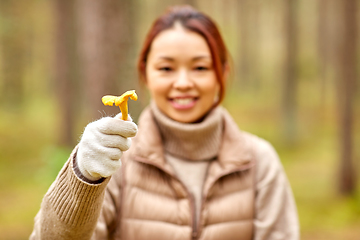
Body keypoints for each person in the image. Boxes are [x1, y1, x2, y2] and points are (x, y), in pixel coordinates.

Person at [30, 5, 299, 240]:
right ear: (145, 73)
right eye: (166, 68)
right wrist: (83, 177)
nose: (183, 83)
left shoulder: (259, 162)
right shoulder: (113, 159)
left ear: (223, 73)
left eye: (200, 67)